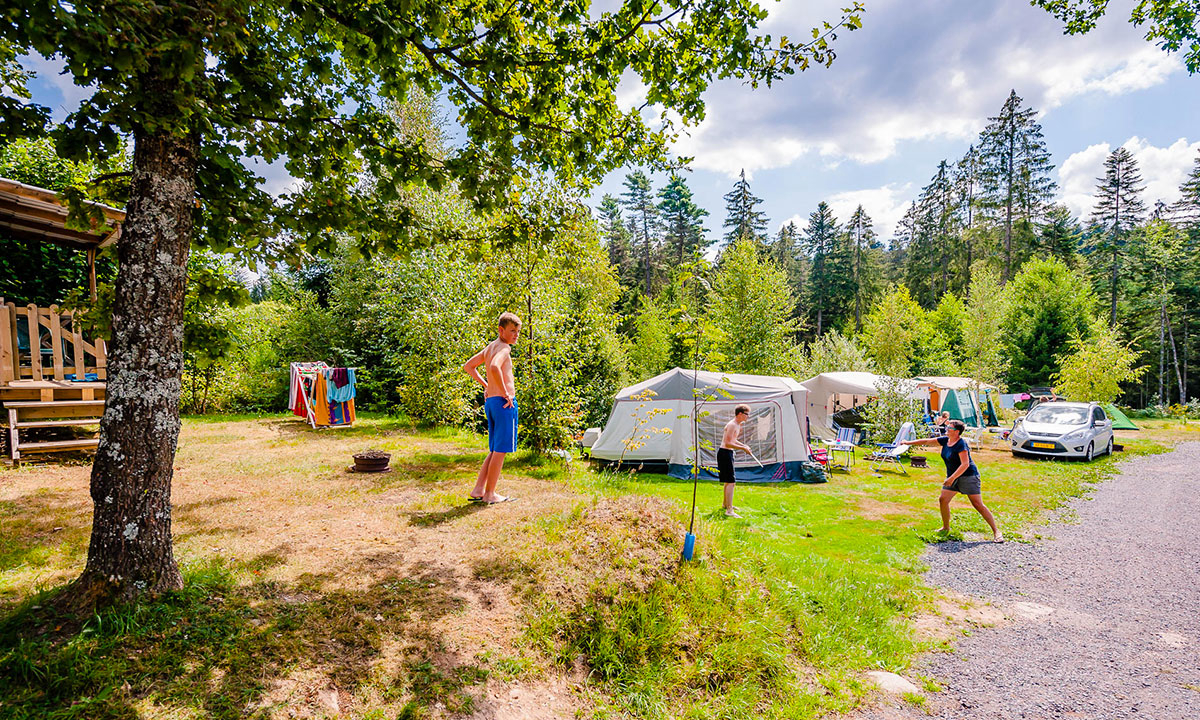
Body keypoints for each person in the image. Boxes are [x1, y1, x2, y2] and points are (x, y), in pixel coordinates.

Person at [903, 419, 1002, 542]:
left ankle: (996, 531)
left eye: (949, 428)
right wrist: (908, 442)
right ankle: (945, 527)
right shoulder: (946, 441)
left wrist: (951, 478)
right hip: (952, 477)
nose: (946, 429)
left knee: (977, 504)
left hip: (968, 476)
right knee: (943, 500)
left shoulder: (961, 444)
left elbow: (965, 464)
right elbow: (927, 441)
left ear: (957, 432)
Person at [462, 312, 521, 504]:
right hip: (504, 403)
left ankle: (479, 489)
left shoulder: (490, 347)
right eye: (512, 331)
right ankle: (490, 494)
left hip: (491, 402)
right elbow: (495, 367)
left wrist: (487, 386)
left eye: (518, 331)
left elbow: (469, 366)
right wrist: (506, 392)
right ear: (501, 330)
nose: (516, 335)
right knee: (501, 450)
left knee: (495, 448)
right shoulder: (504, 348)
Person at [718, 405, 753, 518]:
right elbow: (728, 443)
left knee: (728, 481)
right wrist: (743, 449)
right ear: (740, 414)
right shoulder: (732, 425)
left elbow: (733, 440)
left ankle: (725, 505)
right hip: (725, 453)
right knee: (731, 482)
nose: (748, 417)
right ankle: (729, 510)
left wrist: (744, 445)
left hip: (728, 453)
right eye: (747, 414)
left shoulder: (738, 425)